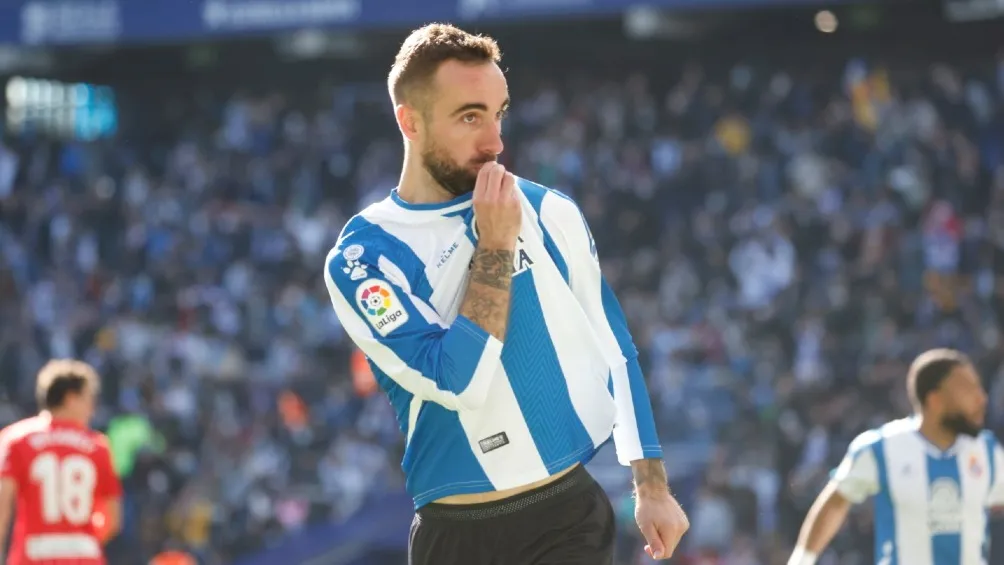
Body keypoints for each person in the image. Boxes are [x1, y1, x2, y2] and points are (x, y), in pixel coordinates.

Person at [324, 23, 688, 565]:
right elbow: (459, 379)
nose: (494, 141)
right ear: (410, 121)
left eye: (499, 114)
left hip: (568, 516)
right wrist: (493, 246)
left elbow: (616, 346)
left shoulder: (549, 211)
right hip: (456, 536)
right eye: (470, 116)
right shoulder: (363, 260)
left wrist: (652, 485)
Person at [787, 348, 1004, 565]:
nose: (981, 398)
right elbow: (836, 502)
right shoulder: (881, 447)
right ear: (935, 400)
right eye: (967, 389)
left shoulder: (988, 450)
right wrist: (801, 561)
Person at [0, 359, 123, 565]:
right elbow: (112, 520)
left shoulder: (16, 439)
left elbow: (2, 504)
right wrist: (81, 539)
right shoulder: (98, 446)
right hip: (85, 557)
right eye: (89, 399)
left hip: (32, 556)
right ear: (71, 398)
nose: (92, 409)